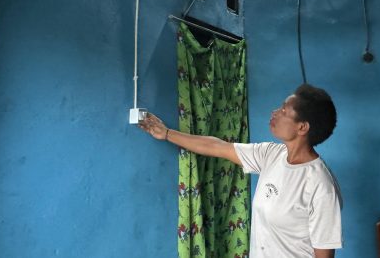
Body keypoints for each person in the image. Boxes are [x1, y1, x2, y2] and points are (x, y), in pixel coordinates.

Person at [138, 83, 343, 258]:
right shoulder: (271, 155)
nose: (275, 112)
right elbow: (217, 147)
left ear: (302, 127)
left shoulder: (321, 186)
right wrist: (166, 133)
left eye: (283, 110)